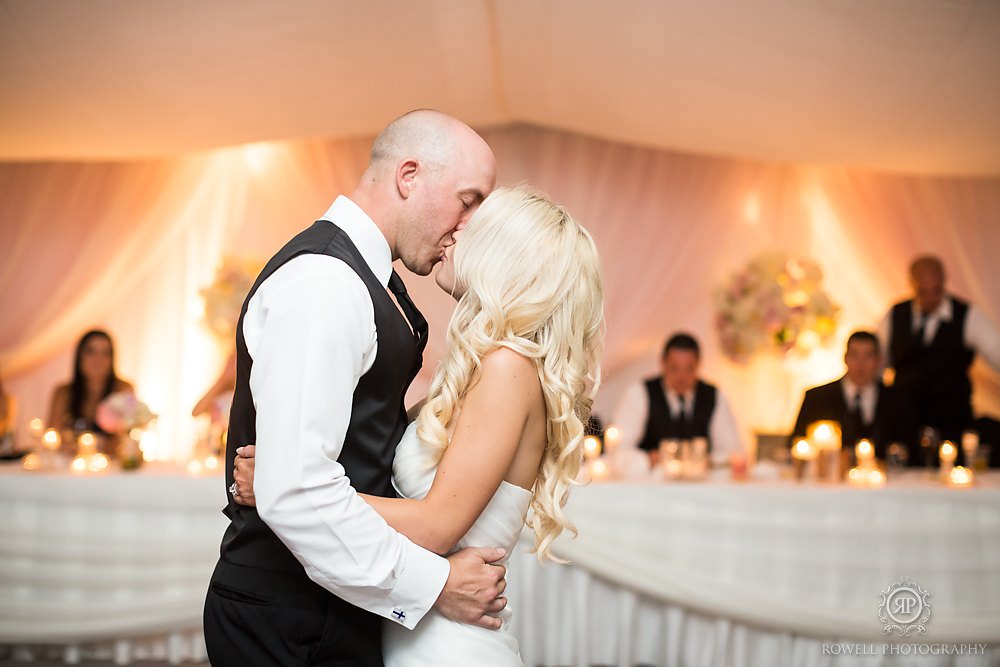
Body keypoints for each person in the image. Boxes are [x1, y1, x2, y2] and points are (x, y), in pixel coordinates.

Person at [231, 185, 605, 666]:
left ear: (503, 258)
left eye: (474, 227)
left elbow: (434, 525)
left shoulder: (508, 368)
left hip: (449, 647)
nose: (453, 235)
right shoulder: (485, 366)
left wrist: (279, 483)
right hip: (414, 628)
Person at [204, 110, 507, 667]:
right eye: (468, 200)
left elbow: (358, 432)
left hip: (335, 606)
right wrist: (435, 584)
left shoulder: (371, 276)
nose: (469, 226)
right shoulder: (325, 282)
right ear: (409, 176)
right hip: (291, 619)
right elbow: (296, 493)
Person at [879, 255, 1000, 443]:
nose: (930, 299)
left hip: (952, 419)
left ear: (944, 282)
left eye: (936, 291)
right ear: (911, 285)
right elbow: (877, 364)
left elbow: (996, 353)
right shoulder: (895, 315)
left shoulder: (967, 316)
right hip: (905, 420)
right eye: (922, 292)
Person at [611, 332, 743, 466]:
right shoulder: (640, 393)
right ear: (663, 363)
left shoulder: (714, 395)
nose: (682, 377)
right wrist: (648, 460)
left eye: (689, 369)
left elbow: (732, 450)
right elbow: (617, 449)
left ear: (698, 365)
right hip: (650, 483)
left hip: (700, 484)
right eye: (674, 368)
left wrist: (706, 461)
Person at [789, 331, 916, 460]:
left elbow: (909, 447)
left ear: (878, 360)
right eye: (855, 355)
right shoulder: (817, 398)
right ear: (845, 358)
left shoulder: (896, 399)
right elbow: (796, 445)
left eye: (868, 356)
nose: (860, 364)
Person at [47, 329, 134, 441]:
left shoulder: (123, 390)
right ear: (80, 356)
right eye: (91, 352)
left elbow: (128, 437)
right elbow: (53, 435)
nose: (98, 359)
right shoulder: (64, 392)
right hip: (68, 457)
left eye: (105, 353)